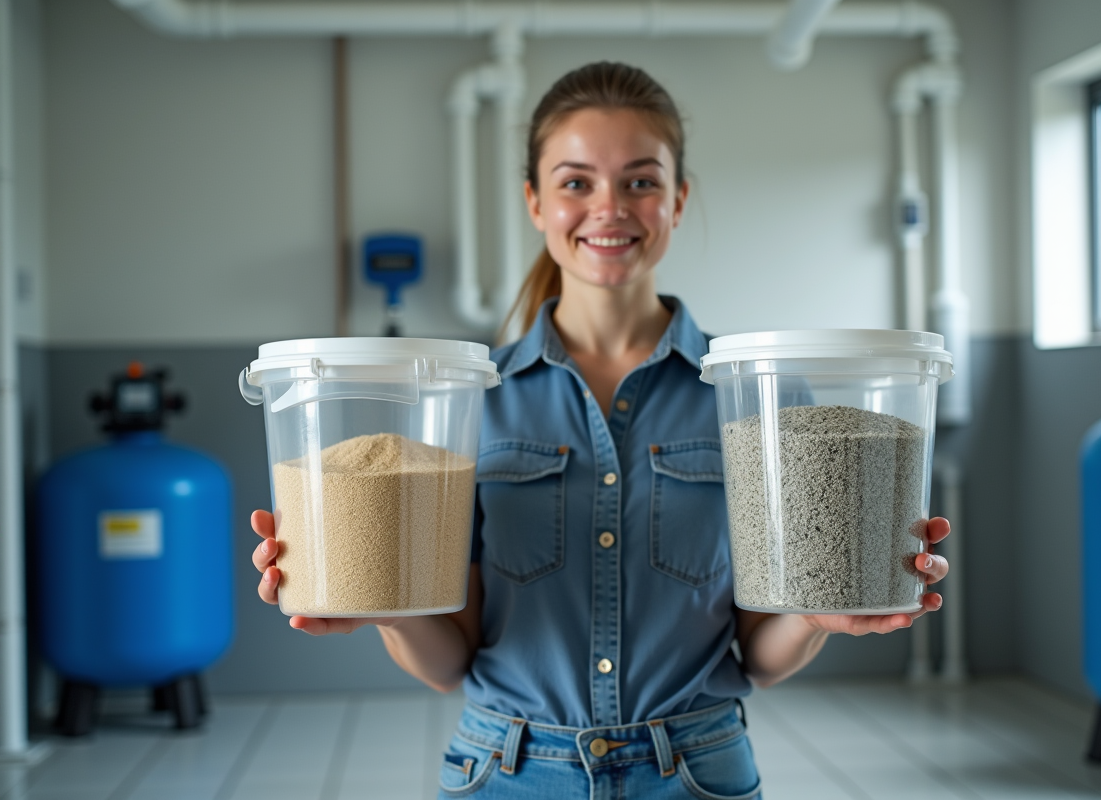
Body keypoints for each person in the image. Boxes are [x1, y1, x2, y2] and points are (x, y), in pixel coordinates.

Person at [249, 61, 951, 799]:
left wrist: (816, 616)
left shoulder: (759, 400)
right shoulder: (473, 401)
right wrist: (380, 604)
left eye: (641, 181)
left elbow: (759, 659)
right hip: (507, 770)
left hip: (696, 769)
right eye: (576, 182)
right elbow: (448, 661)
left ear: (678, 201)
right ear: (534, 202)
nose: (609, 208)